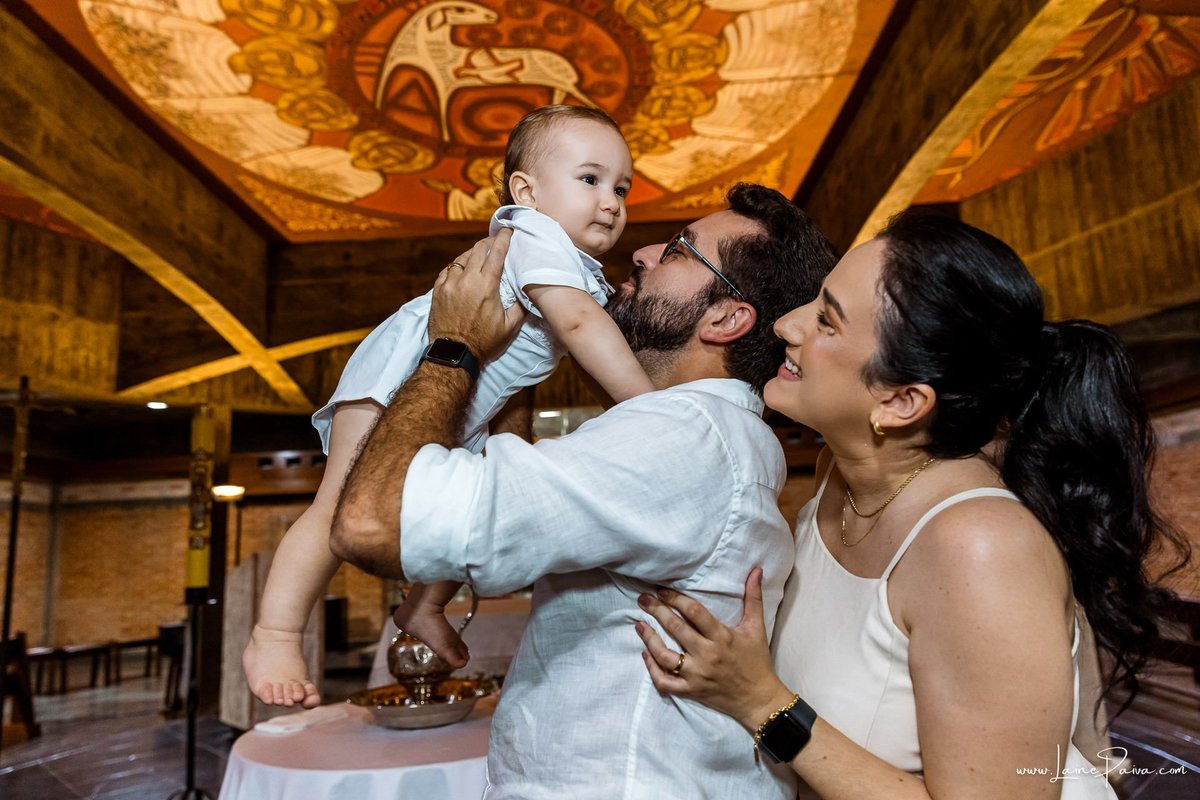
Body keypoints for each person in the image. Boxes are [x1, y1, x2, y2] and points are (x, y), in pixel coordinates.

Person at [633, 211, 1189, 799]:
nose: (788, 326)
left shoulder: (979, 546)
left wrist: (763, 703)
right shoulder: (838, 476)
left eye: (826, 320)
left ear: (901, 402)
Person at [329, 184, 839, 799]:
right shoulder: (704, 433)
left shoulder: (682, 437)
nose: (644, 251)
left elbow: (372, 522)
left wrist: (453, 345)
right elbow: (512, 484)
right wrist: (514, 362)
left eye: (679, 249)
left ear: (726, 319)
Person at [243, 104, 655, 707]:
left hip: (463, 405)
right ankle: (274, 634)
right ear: (526, 191)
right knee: (336, 507)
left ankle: (424, 603)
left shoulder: (575, 264)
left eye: (621, 187)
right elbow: (579, 325)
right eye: (590, 180)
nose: (612, 201)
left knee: (463, 498)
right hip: (402, 375)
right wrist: (647, 407)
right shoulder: (534, 236)